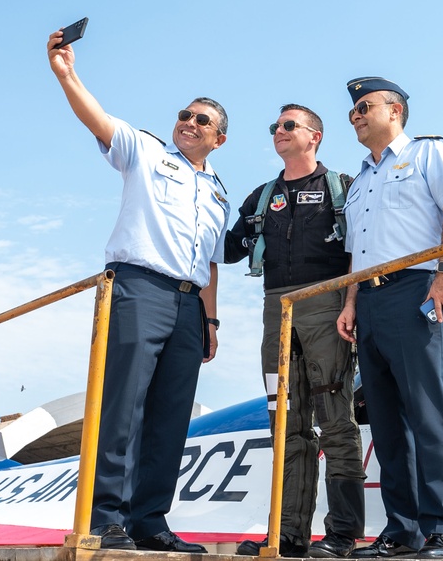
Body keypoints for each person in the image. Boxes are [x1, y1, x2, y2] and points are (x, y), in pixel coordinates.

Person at [47, 28, 230, 553]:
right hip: (139, 289)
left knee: (172, 417)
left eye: (202, 121)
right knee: (123, 407)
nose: (188, 123)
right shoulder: (148, 153)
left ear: (220, 138)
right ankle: (106, 518)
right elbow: (98, 119)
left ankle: (151, 519)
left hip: (189, 306)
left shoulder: (218, 191)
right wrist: (67, 74)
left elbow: (211, 264)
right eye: (185, 115)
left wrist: (210, 321)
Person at [335, 77, 443, 559]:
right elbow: (357, 251)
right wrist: (350, 303)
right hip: (369, 302)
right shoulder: (361, 181)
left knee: (428, 414)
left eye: (364, 106)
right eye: (352, 109)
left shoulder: (427, 154)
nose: (355, 114)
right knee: (388, 424)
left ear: (394, 110)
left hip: (416, 288)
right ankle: (403, 529)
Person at [225, 104, 366, 558]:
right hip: (275, 311)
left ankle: (343, 534)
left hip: (327, 304)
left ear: (315, 137)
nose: (279, 132)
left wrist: (350, 303)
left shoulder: (343, 188)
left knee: (336, 422)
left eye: (289, 126)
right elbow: (225, 247)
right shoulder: (261, 197)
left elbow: (362, 248)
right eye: (275, 127)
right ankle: (286, 534)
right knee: (285, 424)